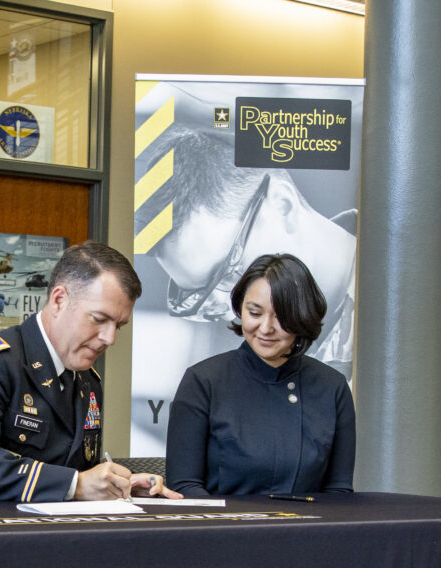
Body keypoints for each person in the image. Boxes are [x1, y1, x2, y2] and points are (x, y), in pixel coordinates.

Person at [131, 129, 357, 453]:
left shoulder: (411, 307)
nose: (236, 312)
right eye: (203, 300)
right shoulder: (230, 364)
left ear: (283, 205)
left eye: (230, 272)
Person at [0, 241, 181, 503]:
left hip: (47, 532)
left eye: (118, 326)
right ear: (59, 300)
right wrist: (77, 485)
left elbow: (67, 465)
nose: (109, 338)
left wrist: (117, 484)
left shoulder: (87, 380)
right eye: (99, 319)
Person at [165, 253, 356, 498]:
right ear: (240, 309)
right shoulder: (203, 381)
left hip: (308, 532)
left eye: (281, 317)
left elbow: (338, 492)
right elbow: (184, 487)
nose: (266, 328)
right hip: (225, 530)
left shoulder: (333, 387)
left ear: (303, 316)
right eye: (254, 313)